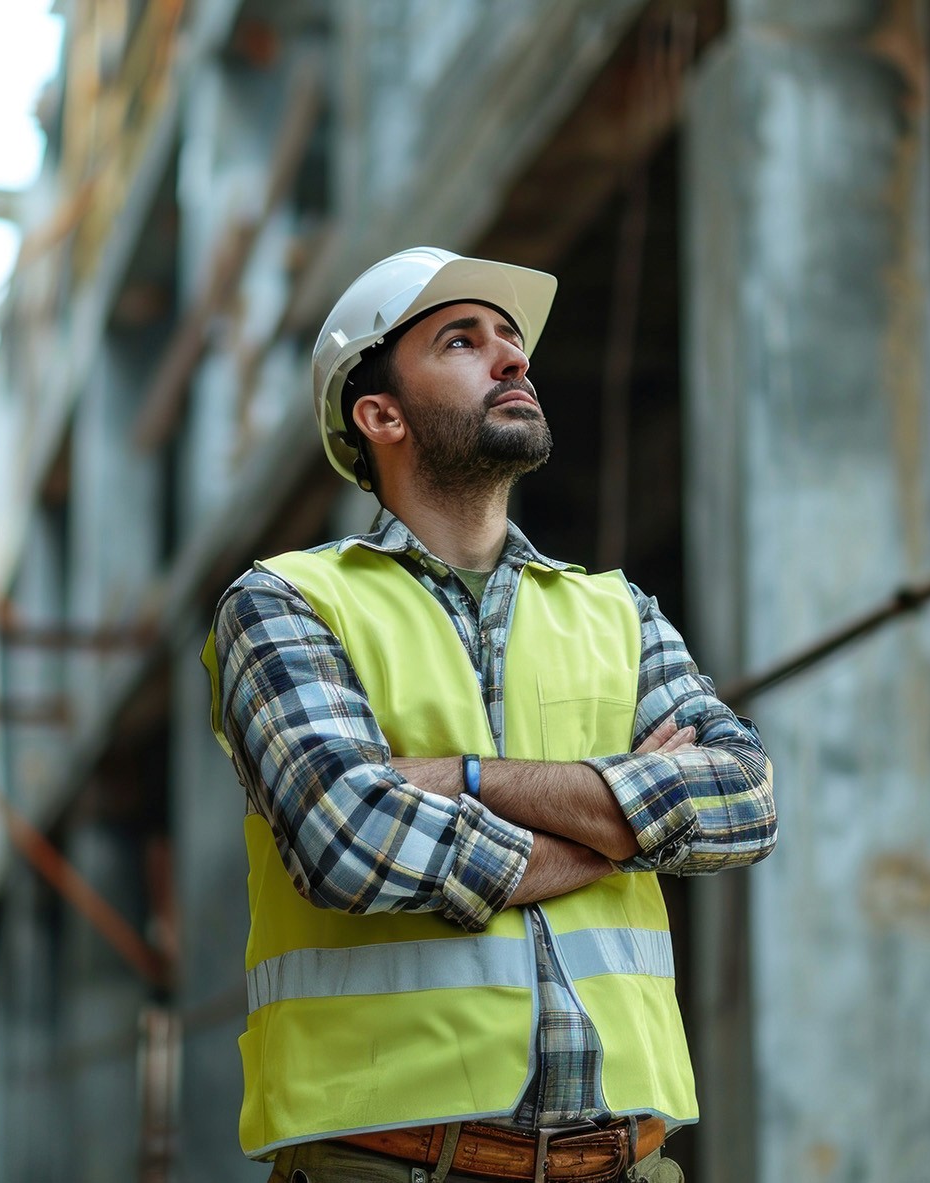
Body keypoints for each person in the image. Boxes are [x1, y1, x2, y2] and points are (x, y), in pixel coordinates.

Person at [203, 246, 777, 1183]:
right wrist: (617, 830)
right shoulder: (285, 603)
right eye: (462, 342)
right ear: (380, 413)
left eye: (512, 341)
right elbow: (348, 836)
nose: (513, 360)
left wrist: (465, 779)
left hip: (625, 1163)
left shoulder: (616, 610)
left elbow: (744, 798)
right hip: (389, 1163)